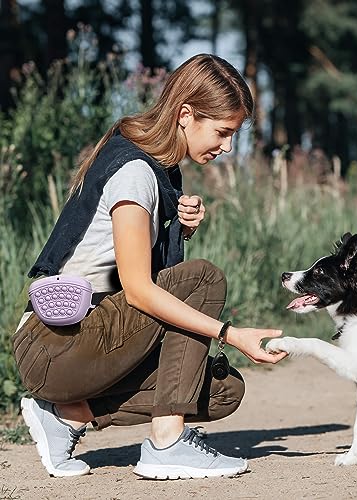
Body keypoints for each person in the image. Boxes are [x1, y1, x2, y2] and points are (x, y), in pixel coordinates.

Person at [13, 53, 287, 480]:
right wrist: (229, 334)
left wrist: (177, 229)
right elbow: (139, 290)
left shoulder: (159, 171)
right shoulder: (136, 172)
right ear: (185, 114)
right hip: (54, 343)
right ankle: (167, 443)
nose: (228, 147)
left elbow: (126, 273)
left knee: (221, 391)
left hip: (86, 341)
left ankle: (68, 413)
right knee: (203, 278)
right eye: (223, 132)